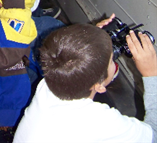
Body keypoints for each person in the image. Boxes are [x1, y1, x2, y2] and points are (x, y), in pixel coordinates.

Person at [13, 22, 157, 143]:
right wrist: (151, 74)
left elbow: (71, 60)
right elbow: (154, 134)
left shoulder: (47, 85)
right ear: (99, 86)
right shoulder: (100, 121)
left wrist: (90, 41)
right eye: (112, 60)